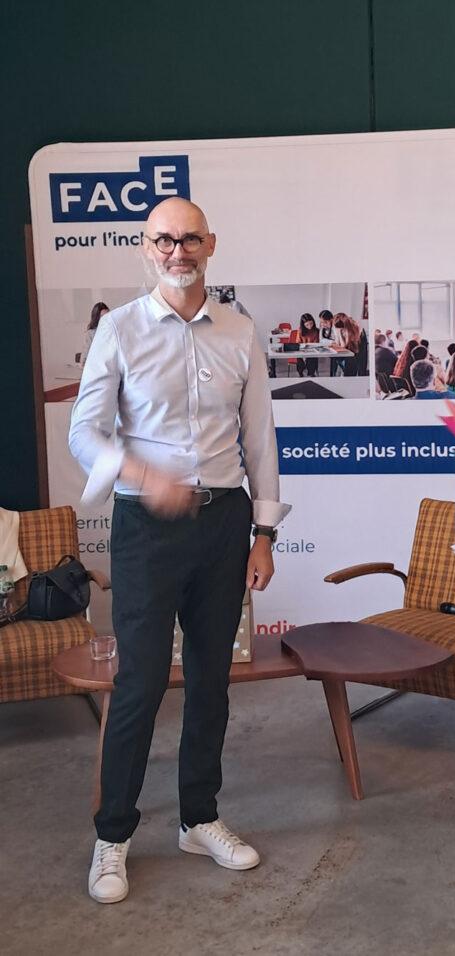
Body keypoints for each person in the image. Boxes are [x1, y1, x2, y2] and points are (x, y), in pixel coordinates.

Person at [69, 197, 290, 904]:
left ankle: (199, 818)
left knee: (210, 679)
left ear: (210, 244)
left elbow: (260, 440)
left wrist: (264, 533)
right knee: (138, 683)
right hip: (146, 526)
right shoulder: (120, 329)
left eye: (189, 239)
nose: (177, 251)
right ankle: (112, 835)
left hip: (224, 525)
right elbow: (84, 433)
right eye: (164, 239)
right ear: (146, 246)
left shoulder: (239, 331)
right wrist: (141, 474)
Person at [82, 301, 109, 366]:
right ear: (97, 318)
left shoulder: (113, 331)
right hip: (97, 366)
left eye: (108, 315)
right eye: (102, 316)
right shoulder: (91, 334)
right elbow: (85, 358)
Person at [296, 313, 319, 377]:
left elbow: (316, 343)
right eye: (307, 325)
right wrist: (304, 355)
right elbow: (298, 343)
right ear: (303, 325)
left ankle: (311, 374)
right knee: (299, 359)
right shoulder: (300, 331)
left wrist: (308, 353)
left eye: (311, 323)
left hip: (312, 351)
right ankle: (300, 373)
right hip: (302, 351)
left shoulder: (316, 331)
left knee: (312, 358)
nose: (310, 326)